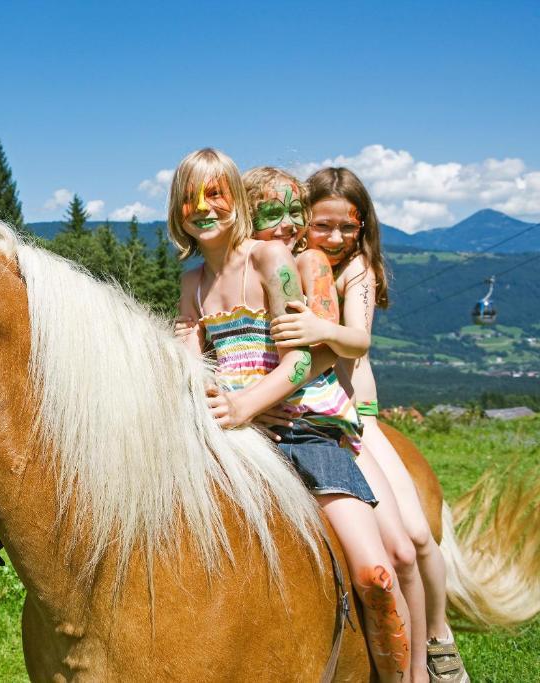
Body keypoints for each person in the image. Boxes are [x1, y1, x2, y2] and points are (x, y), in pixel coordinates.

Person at [171, 149, 411, 682]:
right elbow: (195, 362)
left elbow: (300, 360)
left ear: (237, 199)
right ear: (176, 208)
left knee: (375, 573)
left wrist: (246, 405)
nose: (203, 207)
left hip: (299, 428)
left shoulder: (268, 260)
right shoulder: (192, 282)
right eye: (191, 196)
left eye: (216, 193)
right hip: (231, 430)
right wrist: (203, 384)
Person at [268, 167, 468, 683]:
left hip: (358, 419)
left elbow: (358, 340)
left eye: (347, 227)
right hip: (319, 412)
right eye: (322, 225)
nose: (334, 238)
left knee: (414, 541)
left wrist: (319, 328)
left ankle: (438, 641)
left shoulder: (358, 269)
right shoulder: (284, 262)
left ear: (362, 228)